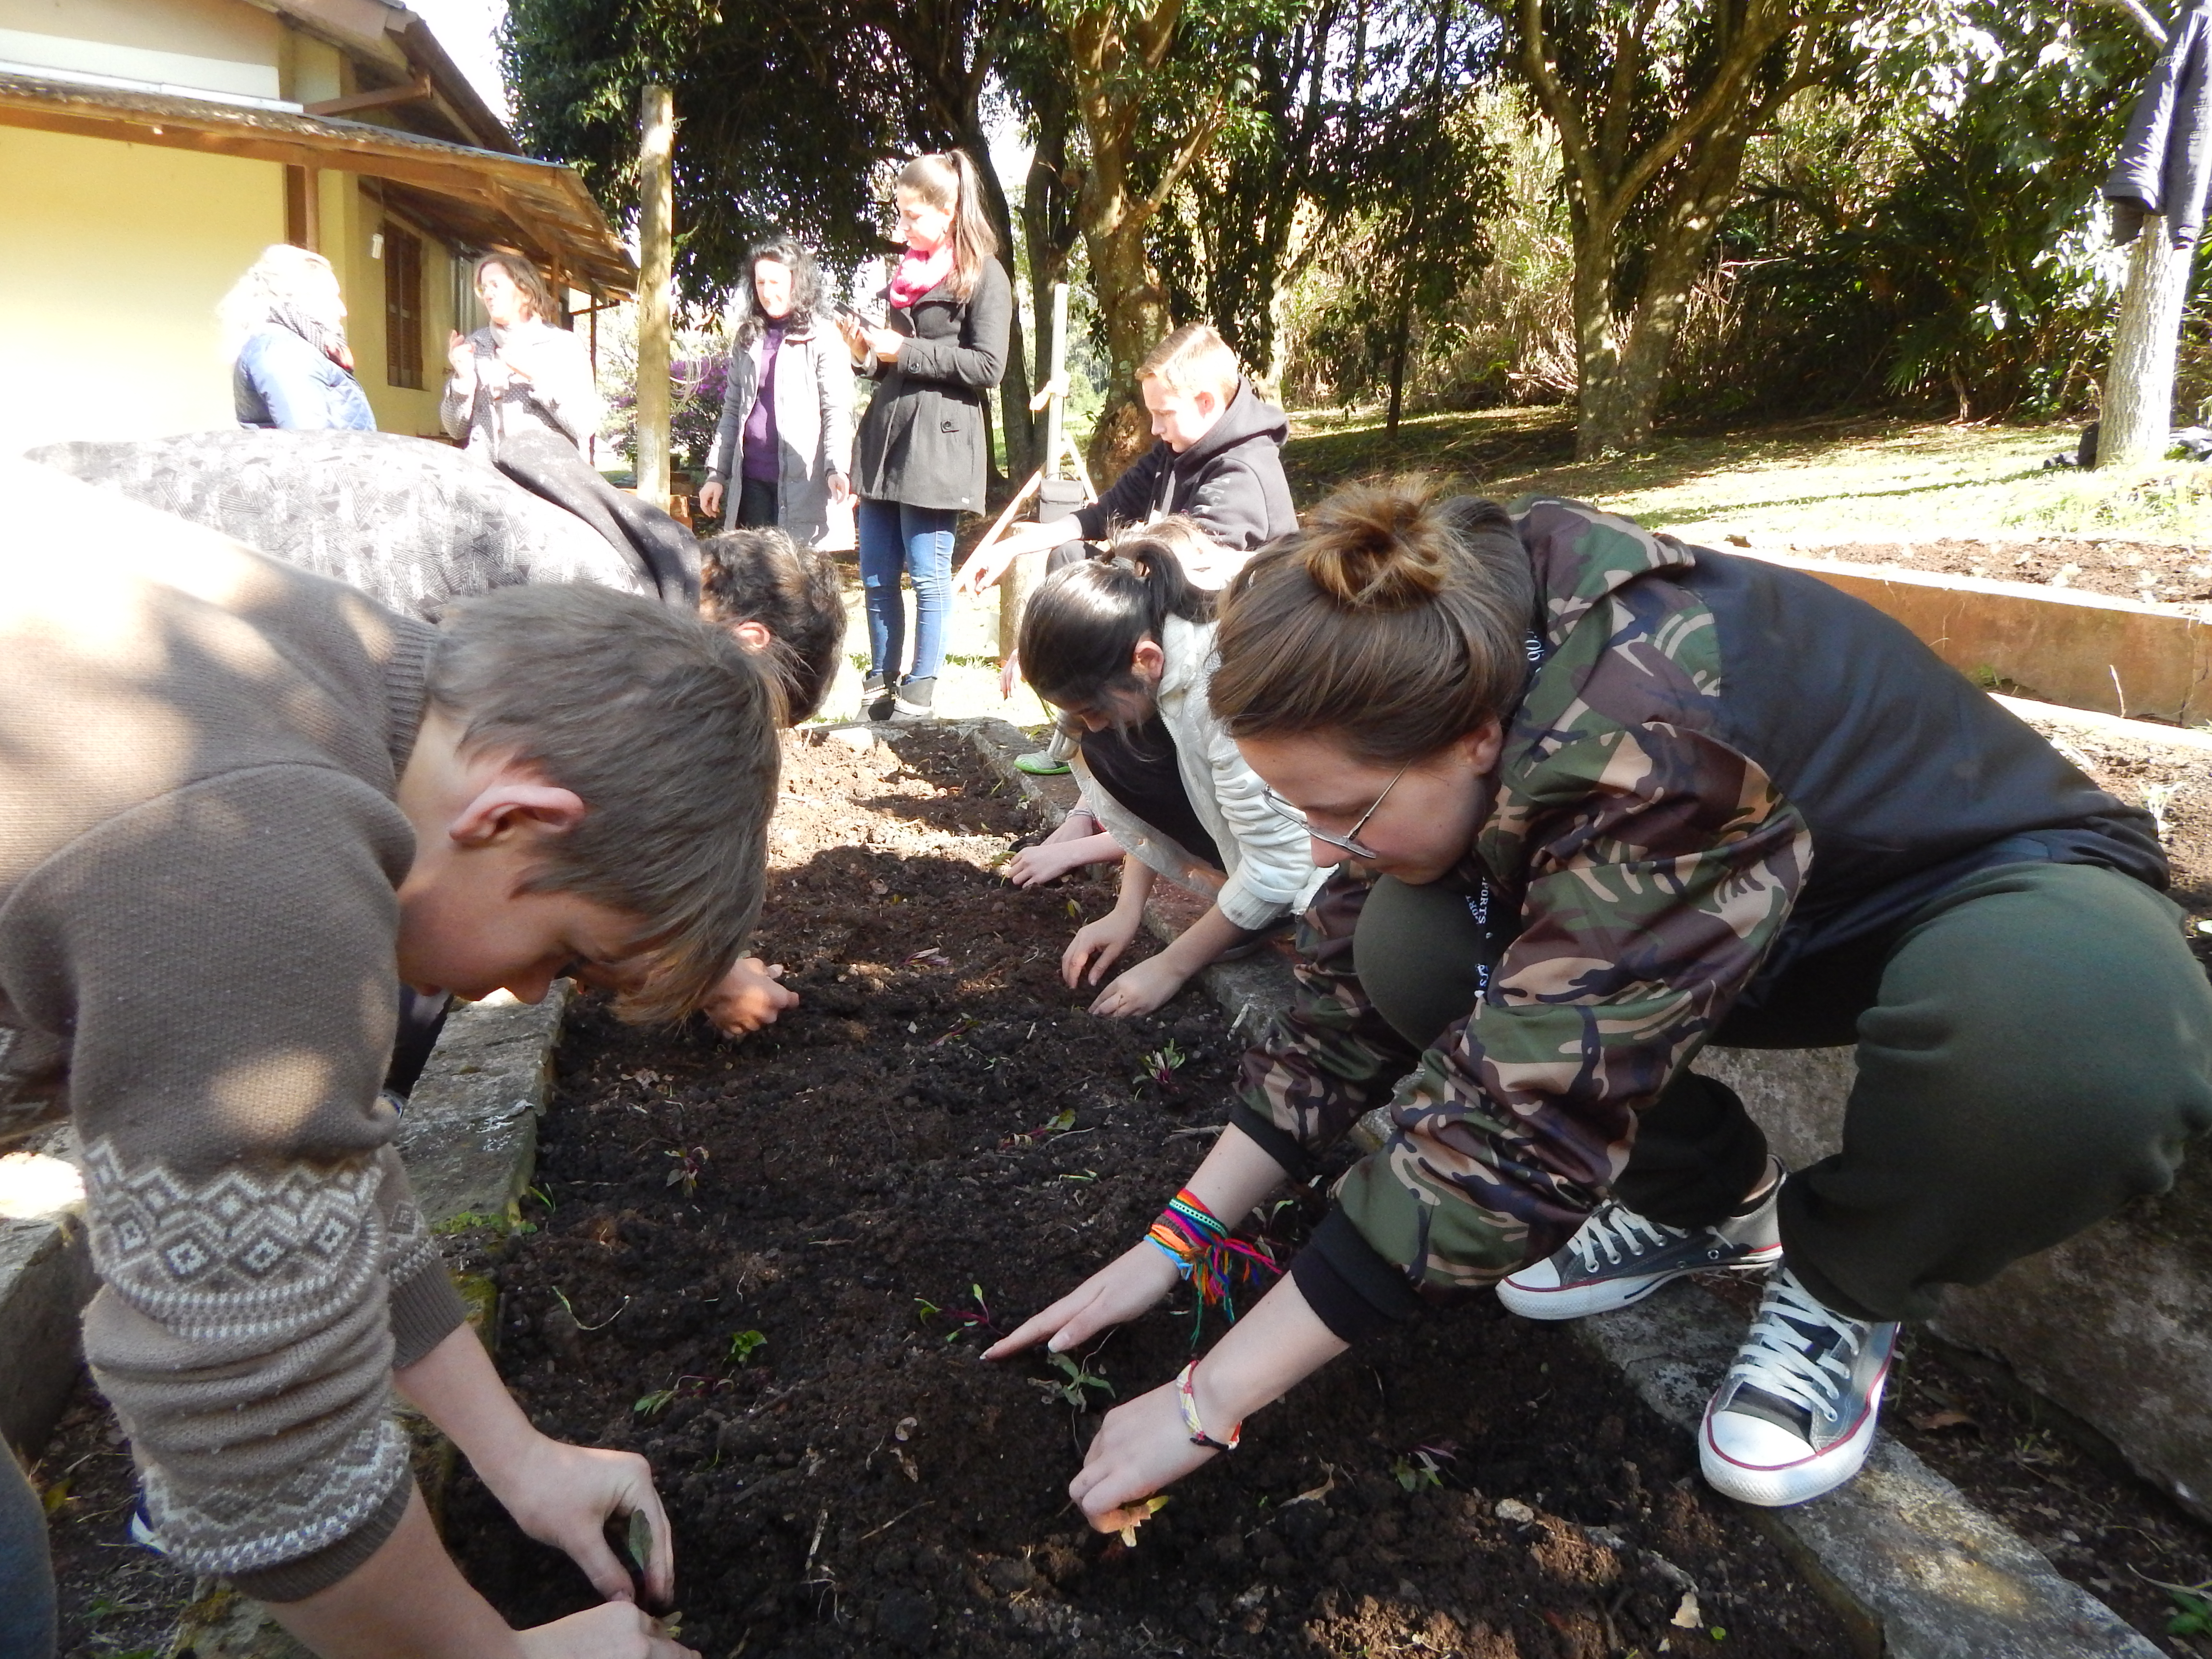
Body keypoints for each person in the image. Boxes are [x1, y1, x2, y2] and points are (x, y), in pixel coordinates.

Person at [989, 483, 2212, 1529]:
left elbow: (1519, 1121)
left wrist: (1211, 1398)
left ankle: (1847, 1283)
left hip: (1961, 890)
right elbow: (1344, 1006)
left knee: (2073, 1048)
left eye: (1342, 812)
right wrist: (1174, 1242)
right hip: (1721, 906)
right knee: (1407, 944)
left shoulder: (1646, 730)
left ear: (1475, 740)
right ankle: (1710, 1204)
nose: (1321, 846)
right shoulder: (1440, 639)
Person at [0, 455, 789, 1658]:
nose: (526, 993)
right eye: (566, 954)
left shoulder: (343, 667)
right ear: (514, 816)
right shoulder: (260, 849)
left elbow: (314, 1166)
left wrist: (517, 1455)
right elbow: (253, 1431)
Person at [958, 322, 1294, 776]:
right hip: (1180, 621)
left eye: (1164, 414)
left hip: (1235, 659)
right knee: (1069, 560)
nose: (1155, 429)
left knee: (1097, 625)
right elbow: (1104, 512)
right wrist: (1019, 544)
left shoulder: (1240, 476)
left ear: (1206, 402)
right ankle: (1074, 754)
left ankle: (1113, 771)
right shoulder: (1179, 448)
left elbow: (1179, 587)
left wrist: (1059, 637)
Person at [1016, 519, 1320, 1018]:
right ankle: (1241, 905)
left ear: (1147, 659)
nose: (1091, 726)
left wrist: (1172, 965)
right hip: (1279, 844)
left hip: (1334, 856)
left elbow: (1282, 863)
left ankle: (1258, 914)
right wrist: (1126, 911)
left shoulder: (1221, 693)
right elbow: (1158, 791)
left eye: (1093, 709)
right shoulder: (1153, 654)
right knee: (1113, 746)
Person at [838, 151, 1011, 724]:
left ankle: (920, 692)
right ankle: (879, 684)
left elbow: (988, 366)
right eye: (900, 214)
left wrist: (904, 350)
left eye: (912, 216)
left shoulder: (985, 274)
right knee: (877, 573)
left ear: (948, 207)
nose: (902, 228)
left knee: (928, 573)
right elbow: (892, 366)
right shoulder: (906, 277)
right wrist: (865, 353)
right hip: (888, 440)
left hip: (940, 444)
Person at [699, 235, 854, 546]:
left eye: (776, 282)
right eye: (760, 283)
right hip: (753, 481)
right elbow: (732, 410)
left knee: (796, 585)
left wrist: (837, 467)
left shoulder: (823, 335)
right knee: (754, 583)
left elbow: (837, 409)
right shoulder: (747, 337)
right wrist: (716, 474)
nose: (768, 293)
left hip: (804, 486)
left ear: (797, 282)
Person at [442, 252, 601, 458]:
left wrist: (538, 377)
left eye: (495, 285)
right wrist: (463, 382)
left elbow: (584, 426)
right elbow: (455, 430)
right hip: (486, 480)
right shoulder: (475, 346)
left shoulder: (563, 345)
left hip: (542, 481)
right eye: (484, 288)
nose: (488, 294)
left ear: (526, 293)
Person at [220, 244, 377, 432]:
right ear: (296, 299)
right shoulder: (284, 351)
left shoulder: (289, 346)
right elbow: (312, 445)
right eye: (332, 297)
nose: (343, 311)